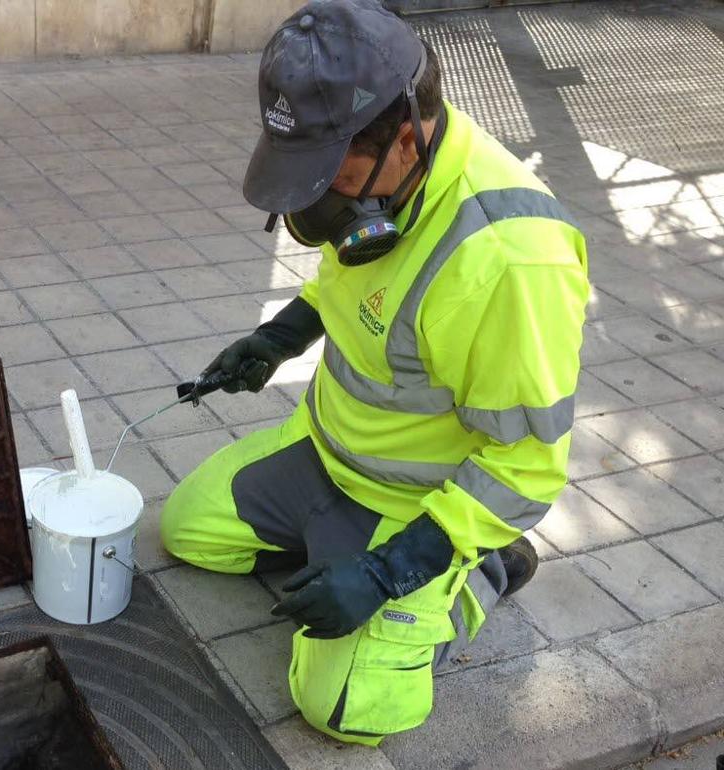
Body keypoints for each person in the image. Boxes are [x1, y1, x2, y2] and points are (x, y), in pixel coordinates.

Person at [160, 0, 588, 745]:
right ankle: (333, 545)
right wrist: (279, 335)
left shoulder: (511, 260)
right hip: (327, 452)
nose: (317, 201)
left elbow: (528, 467)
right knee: (186, 531)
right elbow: (350, 285)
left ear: (404, 135)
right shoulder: (379, 193)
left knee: (348, 712)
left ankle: (482, 570)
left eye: (327, 174)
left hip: (416, 502)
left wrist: (388, 573)